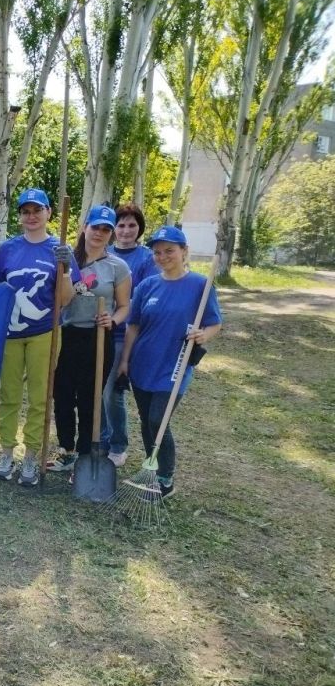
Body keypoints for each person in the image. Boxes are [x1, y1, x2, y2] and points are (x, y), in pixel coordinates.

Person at [117, 225, 222, 497]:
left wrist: (203, 334)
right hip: (143, 363)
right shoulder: (147, 286)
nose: (163, 256)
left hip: (174, 365)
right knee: (145, 419)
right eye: (158, 252)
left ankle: (165, 477)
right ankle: (151, 466)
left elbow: (214, 323)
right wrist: (125, 361)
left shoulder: (201, 286)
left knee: (157, 419)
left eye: (170, 251)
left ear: (184, 252)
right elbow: (133, 327)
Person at [0, 188, 79, 487]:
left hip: (45, 333)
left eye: (37, 210)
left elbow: (65, 299)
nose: (31, 216)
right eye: (25, 211)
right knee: (10, 394)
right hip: (11, 333)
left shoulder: (59, 248)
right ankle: (6, 452)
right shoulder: (8, 250)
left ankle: (31, 455)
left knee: (40, 397)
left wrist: (65, 271)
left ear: (48, 213)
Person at [47, 205, 131, 473]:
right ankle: (66, 450)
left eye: (106, 229)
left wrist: (113, 320)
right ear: (85, 227)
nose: (100, 233)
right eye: (96, 227)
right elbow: (62, 300)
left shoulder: (118, 266)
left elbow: (124, 305)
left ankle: (84, 454)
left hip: (98, 338)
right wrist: (64, 269)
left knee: (89, 398)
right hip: (69, 334)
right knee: (61, 394)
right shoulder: (67, 258)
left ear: (111, 234)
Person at [101, 203, 158, 466]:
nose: (125, 230)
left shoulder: (146, 259)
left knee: (112, 392)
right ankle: (98, 440)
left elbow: (147, 296)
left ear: (139, 228)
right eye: (120, 225)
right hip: (97, 332)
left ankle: (117, 444)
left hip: (124, 334)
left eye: (131, 225)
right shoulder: (104, 252)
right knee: (96, 390)